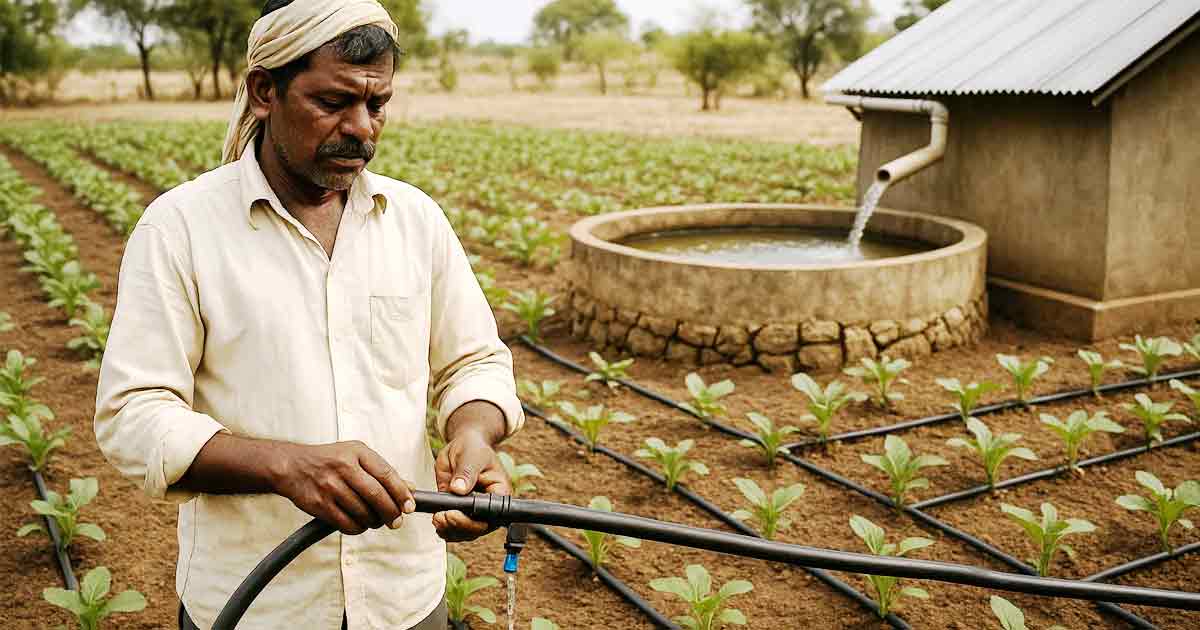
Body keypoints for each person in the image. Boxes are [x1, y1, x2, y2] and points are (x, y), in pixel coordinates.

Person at [93, 1, 524, 628]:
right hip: (255, 601)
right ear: (265, 91)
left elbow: (474, 360)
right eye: (333, 103)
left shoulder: (413, 221)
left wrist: (474, 436)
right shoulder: (181, 228)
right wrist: (284, 465)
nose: (361, 129)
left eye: (376, 105)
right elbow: (133, 413)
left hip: (402, 594)